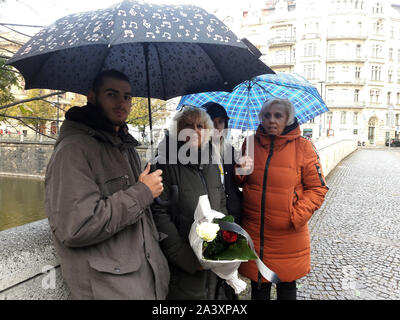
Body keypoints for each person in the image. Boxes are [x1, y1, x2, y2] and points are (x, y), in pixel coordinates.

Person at [44, 69, 170, 300]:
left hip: (144, 281)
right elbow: (76, 226)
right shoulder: (73, 150)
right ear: (92, 96)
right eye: (112, 94)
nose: (122, 103)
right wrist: (143, 192)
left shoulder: (124, 144)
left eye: (127, 97)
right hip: (111, 289)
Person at [235, 98, 328, 300]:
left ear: (288, 119)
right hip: (255, 231)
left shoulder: (303, 147)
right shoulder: (250, 143)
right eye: (267, 115)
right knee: (259, 289)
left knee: (286, 288)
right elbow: (241, 182)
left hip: (287, 236)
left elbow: (318, 188)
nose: (271, 120)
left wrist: (295, 216)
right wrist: (241, 168)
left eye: (278, 115)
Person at [151, 105, 228, 300]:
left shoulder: (212, 160)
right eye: (188, 126)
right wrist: (185, 258)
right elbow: (158, 214)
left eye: (200, 126)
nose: (195, 131)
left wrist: (226, 241)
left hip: (214, 260)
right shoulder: (164, 162)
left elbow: (220, 201)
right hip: (183, 266)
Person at [203, 102, 242, 224]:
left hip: (232, 211)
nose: (216, 126)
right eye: (212, 122)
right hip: (210, 212)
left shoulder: (230, 150)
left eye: (220, 121)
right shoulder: (199, 151)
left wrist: (242, 170)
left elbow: (236, 181)